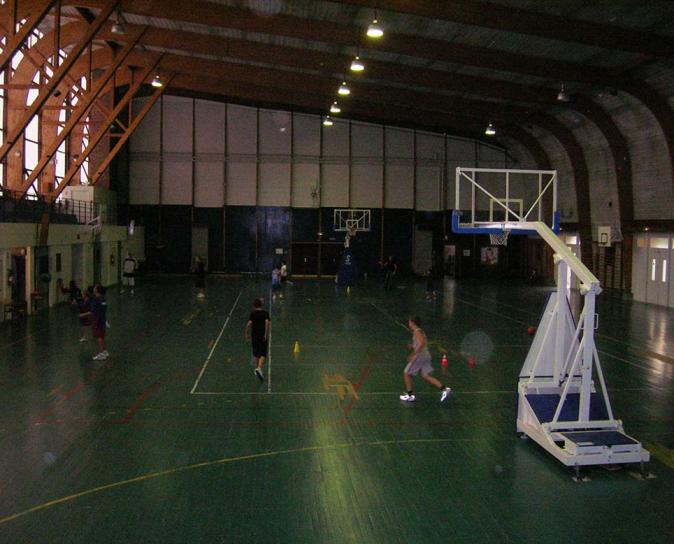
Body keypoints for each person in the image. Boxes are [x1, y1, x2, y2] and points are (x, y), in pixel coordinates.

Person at [400, 316, 451, 403]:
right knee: (425, 375)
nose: (409, 324)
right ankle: (444, 389)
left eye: (409, 322)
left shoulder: (417, 332)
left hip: (420, 356)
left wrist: (413, 354)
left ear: (412, 322)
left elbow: (422, 343)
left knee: (406, 373)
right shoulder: (419, 331)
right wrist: (413, 345)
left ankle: (410, 395)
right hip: (426, 355)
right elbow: (423, 342)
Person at [244, 298, 270, 381]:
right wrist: (265, 333)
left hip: (254, 335)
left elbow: (249, 323)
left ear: (254, 306)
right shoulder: (265, 313)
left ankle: (256, 369)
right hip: (262, 335)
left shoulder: (253, 314)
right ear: (261, 305)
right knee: (263, 353)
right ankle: (259, 368)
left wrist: (246, 333)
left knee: (255, 353)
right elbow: (267, 323)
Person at [89, 285, 108, 360]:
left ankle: (101, 353)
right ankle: (104, 351)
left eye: (95, 288)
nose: (94, 288)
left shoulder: (96, 300)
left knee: (98, 337)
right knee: (102, 336)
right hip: (102, 319)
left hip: (97, 320)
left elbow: (92, 310)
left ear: (97, 290)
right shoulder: (103, 299)